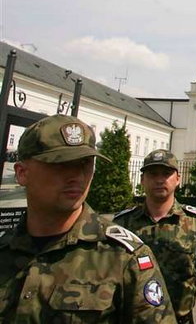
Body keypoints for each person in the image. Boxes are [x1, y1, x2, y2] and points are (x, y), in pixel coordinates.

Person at [0, 114, 175, 322]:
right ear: (21, 173)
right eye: (61, 164)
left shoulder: (123, 257)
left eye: (85, 163)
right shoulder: (5, 251)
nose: (77, 176)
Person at [114, 149, 196, 324]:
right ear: (143, 180)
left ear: (178, 179)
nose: (160, 180)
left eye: (166, 174)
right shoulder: (122, 224)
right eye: (153, 174)